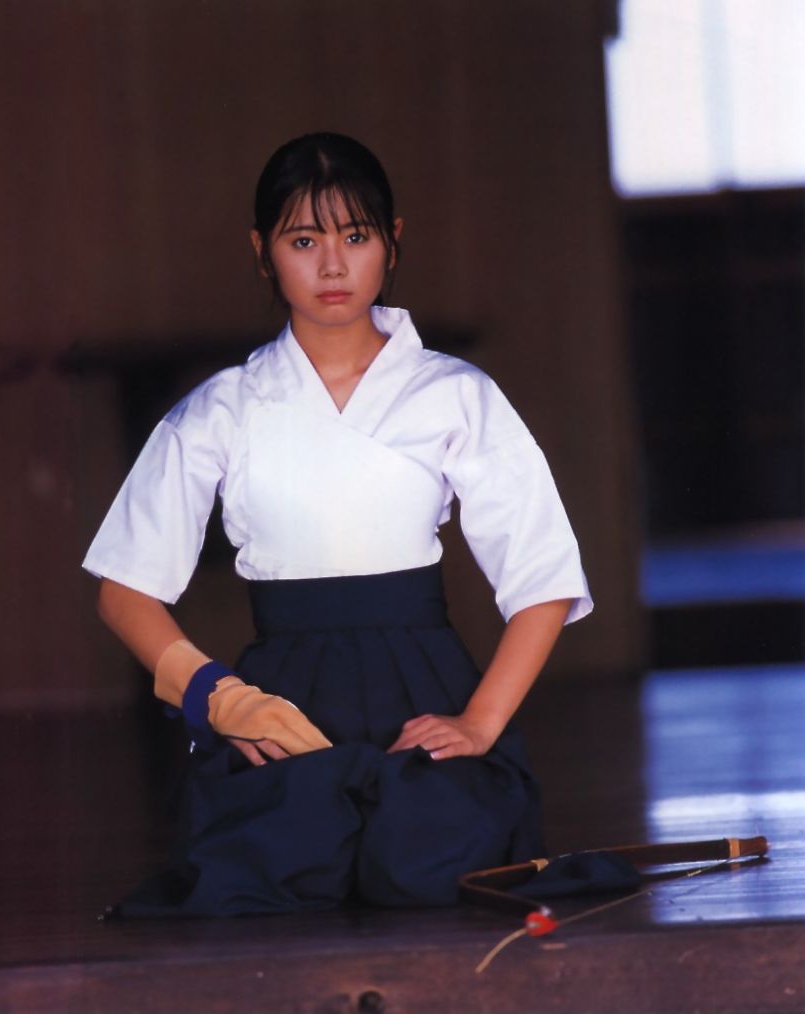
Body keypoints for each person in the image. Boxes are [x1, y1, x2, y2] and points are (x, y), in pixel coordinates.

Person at [82, 132, 592, 918]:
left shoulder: (456, 395)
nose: (331, 266)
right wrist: (216, 697)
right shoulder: (222, 408)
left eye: (355, 237)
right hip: (282, 707)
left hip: (424, 694)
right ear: (262, 251)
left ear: (393, 240)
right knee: (274, 874)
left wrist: (481, 721)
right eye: (303, 241)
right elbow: (124, 588)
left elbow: (544, 575)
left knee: (427, 869)